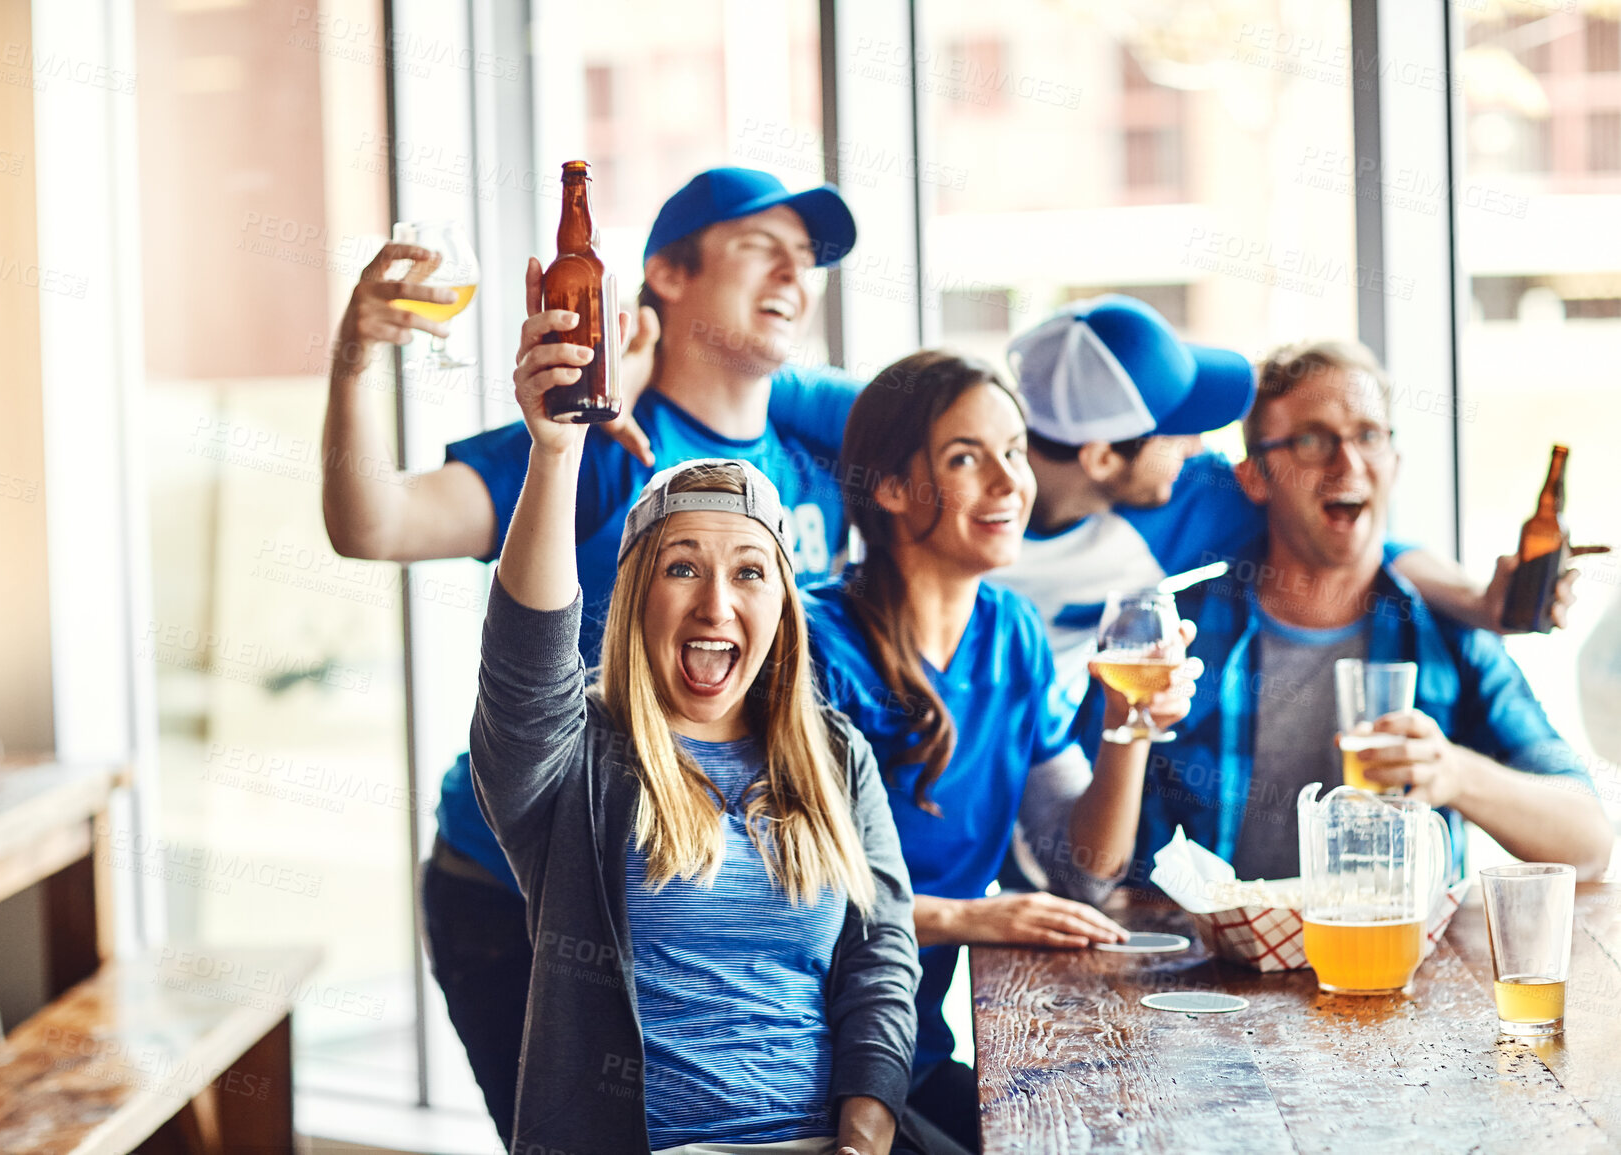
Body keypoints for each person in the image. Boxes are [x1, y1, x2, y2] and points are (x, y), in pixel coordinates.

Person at [321, 167, 864, 1143]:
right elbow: (372, 522)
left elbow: (961, 419)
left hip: (719, 881)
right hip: (527, 882)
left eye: (808, 258)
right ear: (662, 274)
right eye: (759, 248)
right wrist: (358, 354)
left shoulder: (816, 456)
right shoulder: (595, 439)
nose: (795, 274)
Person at [473, 310, 921, 1151]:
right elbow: (526, 655)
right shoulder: (576, 764)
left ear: (782, 610)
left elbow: (879, 952)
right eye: (682, 567)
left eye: (750, 572)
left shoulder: (836, 757)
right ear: (638, 597)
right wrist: (555, 453)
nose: (717, 602)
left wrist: (867, 1123)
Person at [983, 295, 1590, 891]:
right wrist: (1129, 731)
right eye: (1311, 440)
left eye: (1370, 435)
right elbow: (1084, 868)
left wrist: (1456, 767)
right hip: (1190, 969)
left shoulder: (1444, 635)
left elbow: (1589, 840)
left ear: (1396, 460)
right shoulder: (1164, 631)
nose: (1348, 462)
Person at [802, 351, 1197, 1153]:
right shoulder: (813, 645)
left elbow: (1080, 866)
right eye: (965, 457)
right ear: (889, 486)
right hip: (803, 1071)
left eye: (1014, 450)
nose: (1008, 480)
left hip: (911, 1056)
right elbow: (794, 901)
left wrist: (1128, 728)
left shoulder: (1011, 633)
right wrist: (973, 917)